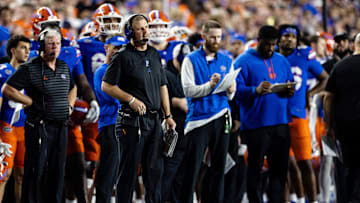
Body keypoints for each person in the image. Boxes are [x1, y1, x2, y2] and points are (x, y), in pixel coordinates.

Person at [101, 14, 176, 203]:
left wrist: (168, 115)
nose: (145, 32)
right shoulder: (122, 56)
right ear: (129, 32)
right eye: (139, 29)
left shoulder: (154, 54)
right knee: (128, 173)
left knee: (154, 173)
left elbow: (162, 86)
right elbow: (106, 86)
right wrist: (131, 99)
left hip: (154, 121)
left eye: (146, 27)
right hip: (132, 121)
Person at [30, 7, 99, 202]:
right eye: (47, 26)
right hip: (38, 116)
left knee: (77, 160)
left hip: (64, 113)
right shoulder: (29, 50)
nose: (52, 30)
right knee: (40, 166)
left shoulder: (69, 49)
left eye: (55, 26)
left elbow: (81, 81)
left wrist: (92, 101)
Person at [1, 28, 77, 203]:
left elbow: (73, 87)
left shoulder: (63, 66)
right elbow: (8, 89)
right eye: (51, 43)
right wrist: (28, 102)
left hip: (61, 125)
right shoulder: (30, 68)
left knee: (58, 169)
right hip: (39, 126)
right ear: (42, 45)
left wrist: (70, 106)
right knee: (36, 169)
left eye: (57, 44)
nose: (55, 47)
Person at [233, 25, 294, 203]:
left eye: (274, 44)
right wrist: (255, 90)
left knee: (280, 170)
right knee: (255, 169)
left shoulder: (282, 60)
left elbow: (289, 83)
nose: (270, 48)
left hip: (281, 122)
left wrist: (288, 90)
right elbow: (233, 91)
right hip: (256, 125)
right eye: (267, 44)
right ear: (258, 41)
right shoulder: (242, 61)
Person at [180, 20, 235, 203]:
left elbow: (231, 97)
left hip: (221, 116)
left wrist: (231, 90)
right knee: (192, 170)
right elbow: (187, 90)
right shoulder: (190, 60)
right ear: (203, 37)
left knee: (219, 169)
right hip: (199, 120)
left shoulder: (227, 60)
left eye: (219, 37)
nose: (216, 41)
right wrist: (209, 86)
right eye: (212, 37)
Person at [278, 24, 328, 203]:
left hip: (298, 115)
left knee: (305, 162)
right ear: (278, 39)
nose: (289, 39)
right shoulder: (271, 56)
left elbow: (325, 78)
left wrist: (310, 93)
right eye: (285, 36)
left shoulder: (304, 55)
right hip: (276, 118)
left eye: (292, 36)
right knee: (283, 165)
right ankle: (295, 199)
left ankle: (312, 201)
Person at [324, 32, 360, 203]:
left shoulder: (340, 67)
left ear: (354, 45)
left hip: (346, 128)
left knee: (347, 169)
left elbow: (328, 97)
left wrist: (329, 126)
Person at [93, 35, 126, 203]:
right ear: (106, 48)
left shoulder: (122, 70)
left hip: (122, 123)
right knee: (108, 169)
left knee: (118, 169)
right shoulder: (102, 71)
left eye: (121, 48)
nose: (117, 51)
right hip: (110, 123)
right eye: (115, 47)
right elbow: (115, 97)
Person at [161, 42, 194, 203]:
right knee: (166, 176)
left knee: (181, 179)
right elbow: (156, 98)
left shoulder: (191, 74)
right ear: (174, 59)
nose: (183, 66)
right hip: (172, 134)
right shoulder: (165, 74)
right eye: (181, 62)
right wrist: (175, 101)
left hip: (187, 134)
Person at [0, 35, 30, 203]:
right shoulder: (2, 71)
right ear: (13, 50)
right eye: (23, 48)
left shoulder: (29, 71)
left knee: (21, 174)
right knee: (3, 173)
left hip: (24, 128)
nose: (27, 52)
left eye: (28, 48)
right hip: (6, 127)